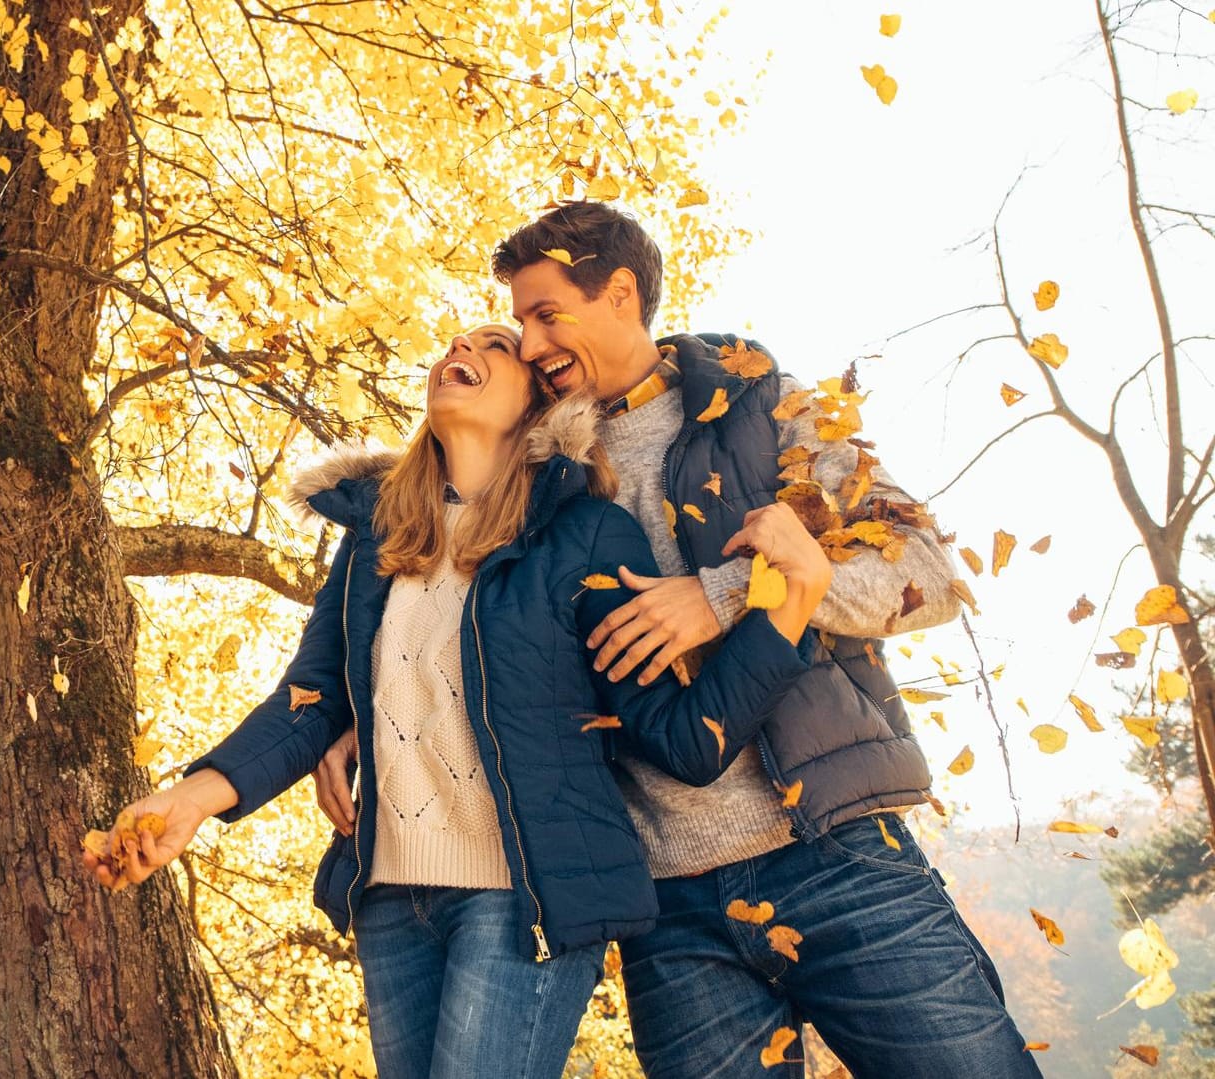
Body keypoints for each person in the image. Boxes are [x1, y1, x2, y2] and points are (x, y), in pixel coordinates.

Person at [315, 202, 1043, 1078]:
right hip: (667, 909)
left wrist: (722, 593)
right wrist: (368, 712)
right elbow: (462, 631)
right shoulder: (534, 471)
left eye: (548, 314)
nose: (533, 343)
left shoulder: (767, 409)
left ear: (620, 293)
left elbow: (925, 570)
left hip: (835, 851)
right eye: (519, 322)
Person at [84, 324, 836, 1078]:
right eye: (450, 344)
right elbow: (310, 700)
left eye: (495, 346)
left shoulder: (587, 533)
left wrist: (790, 604)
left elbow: (683, 739)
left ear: (540, 404)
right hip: (388, 899)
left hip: (523, 899)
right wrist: (189, 799)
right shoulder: (375, 539)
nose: (459, 351)